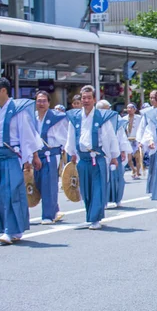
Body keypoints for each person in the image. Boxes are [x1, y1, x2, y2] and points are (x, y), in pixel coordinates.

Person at [0, 77, 43, 244]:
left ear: (4, 91)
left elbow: (27, 134)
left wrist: (31, 157)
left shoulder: (16, 109)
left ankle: (11, 229)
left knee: (12, 193)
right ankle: (9, 228)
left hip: (13, 157)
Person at [65, 86, 120, 229]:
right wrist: (72, 153)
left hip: (98, 157)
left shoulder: (102, 117)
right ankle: (90, 215)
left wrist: (114, 156)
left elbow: (110, 137)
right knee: (86, 189)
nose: (86, 100)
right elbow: (71, 135)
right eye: (84, 98)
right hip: (83, 158)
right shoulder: (75, 117)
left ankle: (96, 217)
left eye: (89, 98)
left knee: (98, 188)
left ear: (94, 99)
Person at [34, 90, 68, 225]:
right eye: (39, 101)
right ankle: (54, 209)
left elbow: (65, 136)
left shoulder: (56, 118)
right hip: (36, 154)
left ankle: (48, 215)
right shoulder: (32, 118)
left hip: (50, 155)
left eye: (44, 101)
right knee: (38, 184)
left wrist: (69, 152)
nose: (41, 103)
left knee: (49, 184)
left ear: (49, 103)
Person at [97, 100, 130, 208]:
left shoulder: (116, 119)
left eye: (109, 108)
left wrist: (123, 150)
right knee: (102, 178)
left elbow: (121, 135)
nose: (109, 111)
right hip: (101, 153)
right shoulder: (95, 119)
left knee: (118, 176)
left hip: (115, 151)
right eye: (106, 108)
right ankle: (104, 200)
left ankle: (117, 198)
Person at [123, 103, 142, 180]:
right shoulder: (124, 119)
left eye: (131, 108)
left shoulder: (139, 118)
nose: (129, 110)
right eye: (128, 108)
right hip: (128, 140)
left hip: (137, 139)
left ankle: (137, 172)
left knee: (138, 158)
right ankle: (133, 169)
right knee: (129, 159)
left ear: (134, 109)